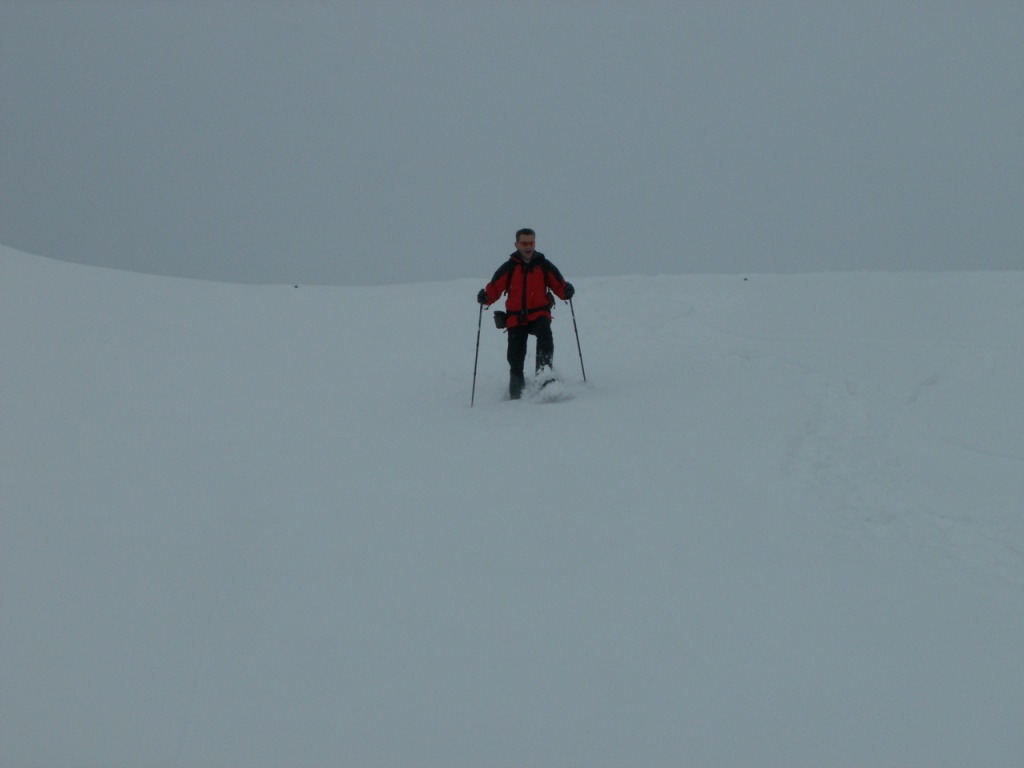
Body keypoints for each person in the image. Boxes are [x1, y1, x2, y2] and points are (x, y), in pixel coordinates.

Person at [477, 228, 575, 399]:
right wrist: (486, 297)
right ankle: (516, 390)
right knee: (515, 356)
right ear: (517, 245)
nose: (528, 247)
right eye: (524, 243)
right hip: (516, 318)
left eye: (531, 243)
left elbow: (559, 285)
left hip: (539, 315)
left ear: (534, 244)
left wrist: (566, 291)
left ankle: (544, 376)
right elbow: (494, 288)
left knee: (545, 337)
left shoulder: (544, 265)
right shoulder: (508, 268)